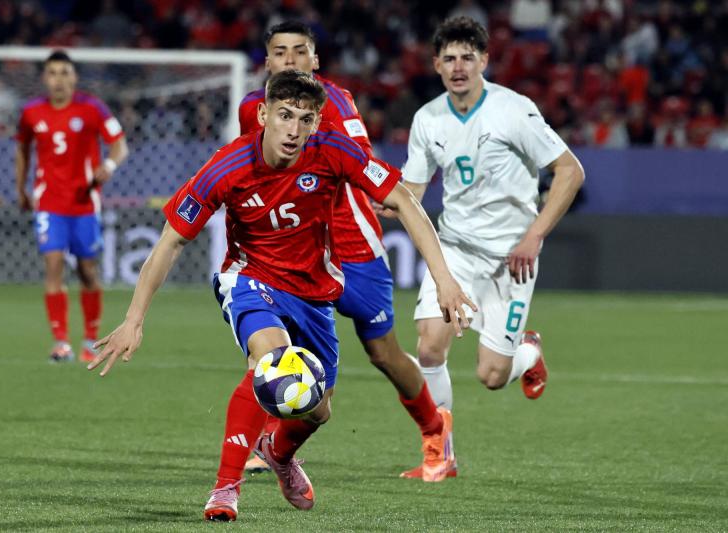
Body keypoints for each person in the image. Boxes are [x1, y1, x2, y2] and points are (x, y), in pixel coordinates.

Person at [88, 71, 474, 521]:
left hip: (313, 294)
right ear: (263, 114)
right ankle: (225, 489)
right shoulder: (227, 166)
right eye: (285, 116)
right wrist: (134, 319)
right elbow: (170, 241)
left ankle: (279, 454)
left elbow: (404, 201)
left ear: (316, 122)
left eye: (305, 119)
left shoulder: (332, 149)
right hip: (251, 280)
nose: (294, 129)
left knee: (318, 410)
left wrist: (444, 278)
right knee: (270, 360)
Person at [238, 21, 457, 481]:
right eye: (281, 53)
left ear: (315, 60)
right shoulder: (251, 110)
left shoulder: (334, 103)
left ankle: (435, 430)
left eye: (301, 52)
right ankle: (268, 446)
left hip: (353, 250)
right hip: (293, 253)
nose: (291, 60)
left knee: (383, 353)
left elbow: (358, 158)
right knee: (269, 346)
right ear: (268, 61)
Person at [391, 16, 585, 477]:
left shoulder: (513, 110)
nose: (458, 66)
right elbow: (412, 191)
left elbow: (570, 170)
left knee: (492, 376)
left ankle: (529, 352)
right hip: (455, 248)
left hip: (511, 258)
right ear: (436, 64)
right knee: (430, 346)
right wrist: (388, 205)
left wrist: (534, 235)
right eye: (449, 58)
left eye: (467, 57)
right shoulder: (428, 118)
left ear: (484, 60)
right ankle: (441, 455)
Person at [15, 50, 129, 363]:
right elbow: (22, 150)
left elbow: (119, 144)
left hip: (83, 204)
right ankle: (60, 342)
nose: (59, 79)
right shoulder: (31, 112)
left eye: (65, 72)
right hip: (49, 202)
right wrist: (21, 189)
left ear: (74, 76)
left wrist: (108, 165)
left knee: (87, 271)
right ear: (44, 78)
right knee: (53, 265)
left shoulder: (92, 108)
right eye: (53, 73)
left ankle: (91, 340)